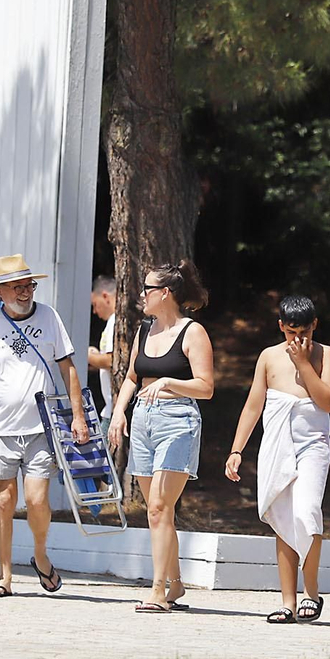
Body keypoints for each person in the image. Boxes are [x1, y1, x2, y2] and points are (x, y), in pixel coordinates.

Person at [0, 254, 88, 597]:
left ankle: (40, 553)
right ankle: (4, 575)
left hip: (41, 428)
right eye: (16, 287)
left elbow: (68, 367)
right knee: (4, 501)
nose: (25, 292)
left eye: (29, 285)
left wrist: (78, 415)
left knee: (36, 500)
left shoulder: (49, 317)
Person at [106, 260, 214, 613]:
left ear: (165, 293)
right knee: (158, 513)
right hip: (142, 420)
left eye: (147, 289)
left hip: (177, 420)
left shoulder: (192, 332)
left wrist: (169, 382)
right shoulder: (144, 330)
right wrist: (119, 413)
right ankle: (176, 584)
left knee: (158, 508)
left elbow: (206, 387)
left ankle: (157, 590)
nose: (142, 294)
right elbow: (132, 377)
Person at [226, 295, 330, 624]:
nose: (298, 339)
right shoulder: (268, 357)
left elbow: (328, 402)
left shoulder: (326, 354)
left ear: (314, 325)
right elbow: (253, 405)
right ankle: (288, 602)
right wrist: (236, 450)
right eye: (291, 333)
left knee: (307, 512)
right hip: (277, 444)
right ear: (281, 327)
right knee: (282, 517)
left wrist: (304, 364)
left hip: (312, 445)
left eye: (304, 332)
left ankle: (311, 592)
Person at [84, 274, 118, 428]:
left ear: (105, 296)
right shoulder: (113, 321)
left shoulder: (115, 321)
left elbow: (111, 361)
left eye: (95, 304)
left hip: (113, 410)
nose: (94, 311)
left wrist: (88, 355)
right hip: (110, 407)